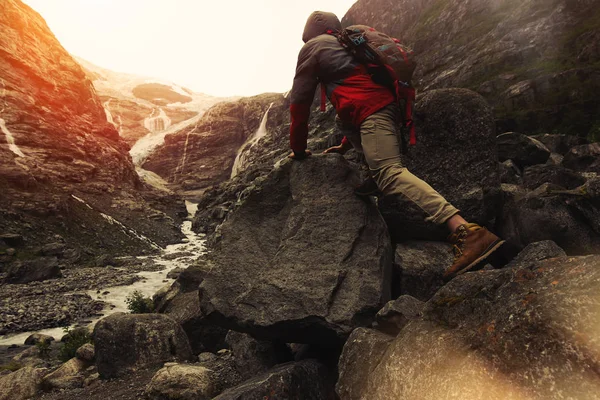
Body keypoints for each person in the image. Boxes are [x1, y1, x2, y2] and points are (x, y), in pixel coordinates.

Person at [287, 11, 505, 280]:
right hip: (390, 107)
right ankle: (372, 176)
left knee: (389, 172)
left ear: (309, 33)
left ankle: (467, 231)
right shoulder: (350, 41)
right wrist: (345, 146)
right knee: (362, 144)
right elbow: (354, 97)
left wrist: (297, 149)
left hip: (373, 112)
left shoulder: (314, 47)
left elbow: (299, 102)